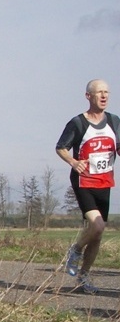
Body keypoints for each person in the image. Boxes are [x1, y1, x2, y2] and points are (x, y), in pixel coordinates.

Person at [57, 79, 119, 295]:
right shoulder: (78, 123)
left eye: (107, 93)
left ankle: (83, 276)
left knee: (97, 234)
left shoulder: (114, 121)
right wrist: (74, 162)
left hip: (104, 182)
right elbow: (61, 147)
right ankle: (74, 250)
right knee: (98, 225)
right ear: (88, 96)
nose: (104, 96)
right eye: (99, 92)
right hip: (84, 181)